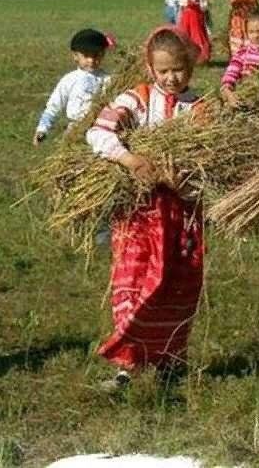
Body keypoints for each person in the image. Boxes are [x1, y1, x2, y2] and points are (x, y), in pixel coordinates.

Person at [86, 26, 208, 390]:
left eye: (179, 70)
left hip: (183, 213)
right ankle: (127, 364)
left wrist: (184, 179)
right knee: (136, 283)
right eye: (163, 70)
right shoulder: (136, 99)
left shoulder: (200, 109)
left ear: (190, 68)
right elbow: (97, 133)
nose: (171, 78)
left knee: (177, 285)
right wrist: (130, 159)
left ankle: (171, 360)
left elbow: (209, 161)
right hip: (140, 212)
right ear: (150, 68)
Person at [33, 29, 114, 145]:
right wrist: (42, 129)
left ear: (103, 54)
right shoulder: (70, 80)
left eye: (96, 55)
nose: (91, 60)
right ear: (75, 56)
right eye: (86, 56)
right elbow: (54, 106)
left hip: (101, 129)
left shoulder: (108, 80)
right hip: (75, 130)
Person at [171, 0, 211, 64]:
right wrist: (204, 10)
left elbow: (174, 3)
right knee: (198, 34)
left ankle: (184, 56)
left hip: (185, 15)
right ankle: (201, 56)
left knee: (185, 34)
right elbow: (204, 5)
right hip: (196, 15)